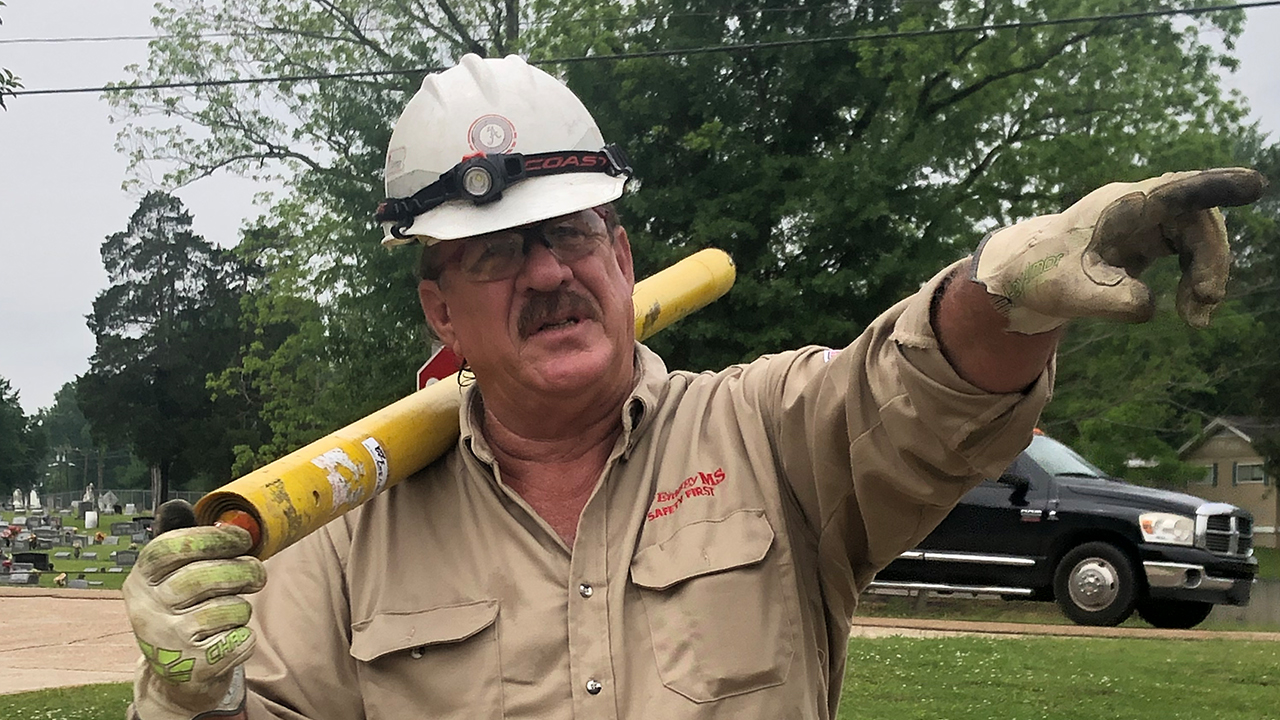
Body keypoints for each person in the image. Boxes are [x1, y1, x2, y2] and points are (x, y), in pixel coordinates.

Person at [122, 54, 1265, 720]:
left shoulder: (772, 437)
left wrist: (1004, 294)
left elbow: (921, 394)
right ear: (438, 307)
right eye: (495, 254)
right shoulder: (337, 535)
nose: (548, 274)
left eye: (570, 234)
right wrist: (183, 698)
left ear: (621, 257)